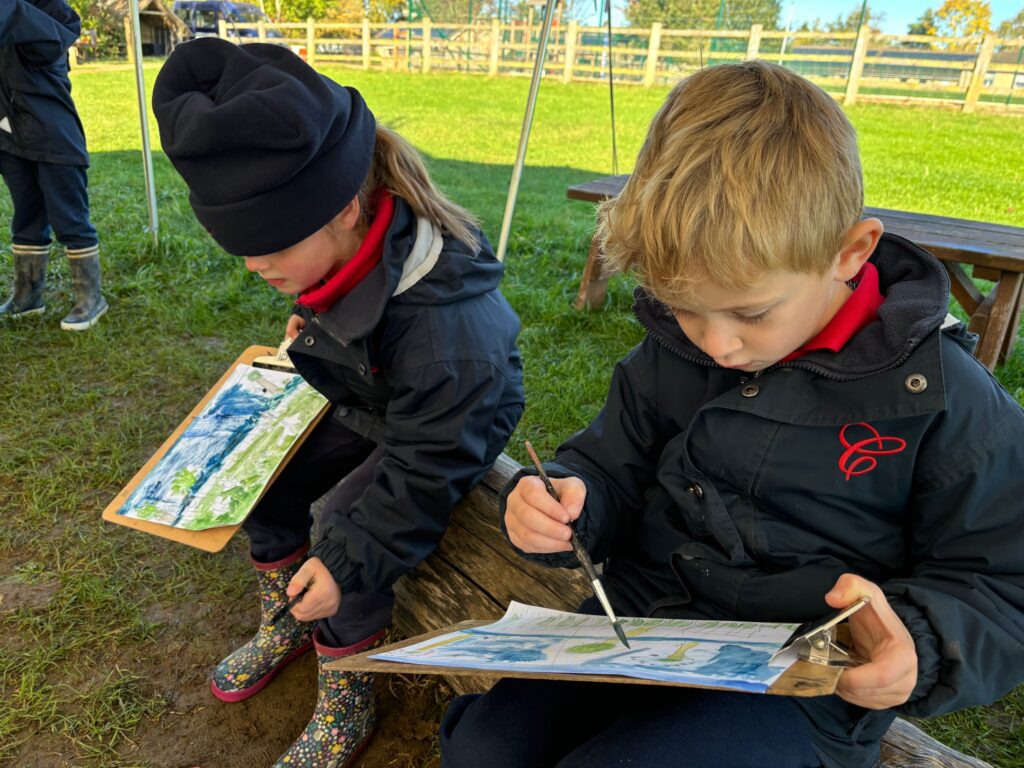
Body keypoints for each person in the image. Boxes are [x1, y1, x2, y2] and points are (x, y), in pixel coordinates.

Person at [439, 60, 1024, 768]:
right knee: (485, 746)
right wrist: (571, 499)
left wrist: (921, 644)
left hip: (800, 679)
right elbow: (610, 463)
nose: (716, 343)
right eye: (686, 308)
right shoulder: (673, 353)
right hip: (643, 622)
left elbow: (1003, 581)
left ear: (850, 252)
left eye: (752, 312)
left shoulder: (944, 397)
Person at [151, 38, 524, 767]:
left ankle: (347, 687)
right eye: (244, 252)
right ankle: (287, 618)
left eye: (273, 248)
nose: (257, 268)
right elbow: (361, 311)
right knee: (266, 475)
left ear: (345, 207)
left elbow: (430, 459)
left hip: (445, 423)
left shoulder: (451, 336)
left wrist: (351, 561)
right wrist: (323, 334)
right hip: (378, 394)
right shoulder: (348, 242)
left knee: (346, 537)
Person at [0, 0, 107, 331]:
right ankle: (27, 296)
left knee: (69, 219)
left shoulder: (54, 16)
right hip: (9, 133)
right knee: (27, 216)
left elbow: (39, 40)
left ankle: (91, 299)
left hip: (53, 135)